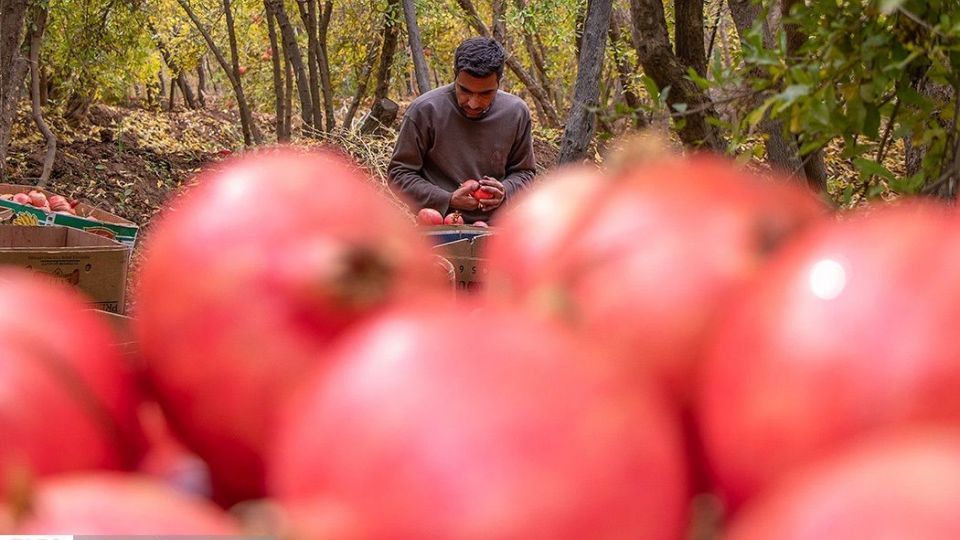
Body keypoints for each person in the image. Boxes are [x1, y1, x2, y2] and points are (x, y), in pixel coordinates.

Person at [388, 37, 536, 224]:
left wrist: (505, 191)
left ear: (499, 82)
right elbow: (399, 174)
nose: (473, 103)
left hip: (496, 227)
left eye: (485, 94)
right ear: (455, 76)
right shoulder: (425, 111)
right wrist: (446, 199)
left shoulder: (516, 113)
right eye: (465, 90)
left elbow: (525, 173)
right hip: (438, 224)